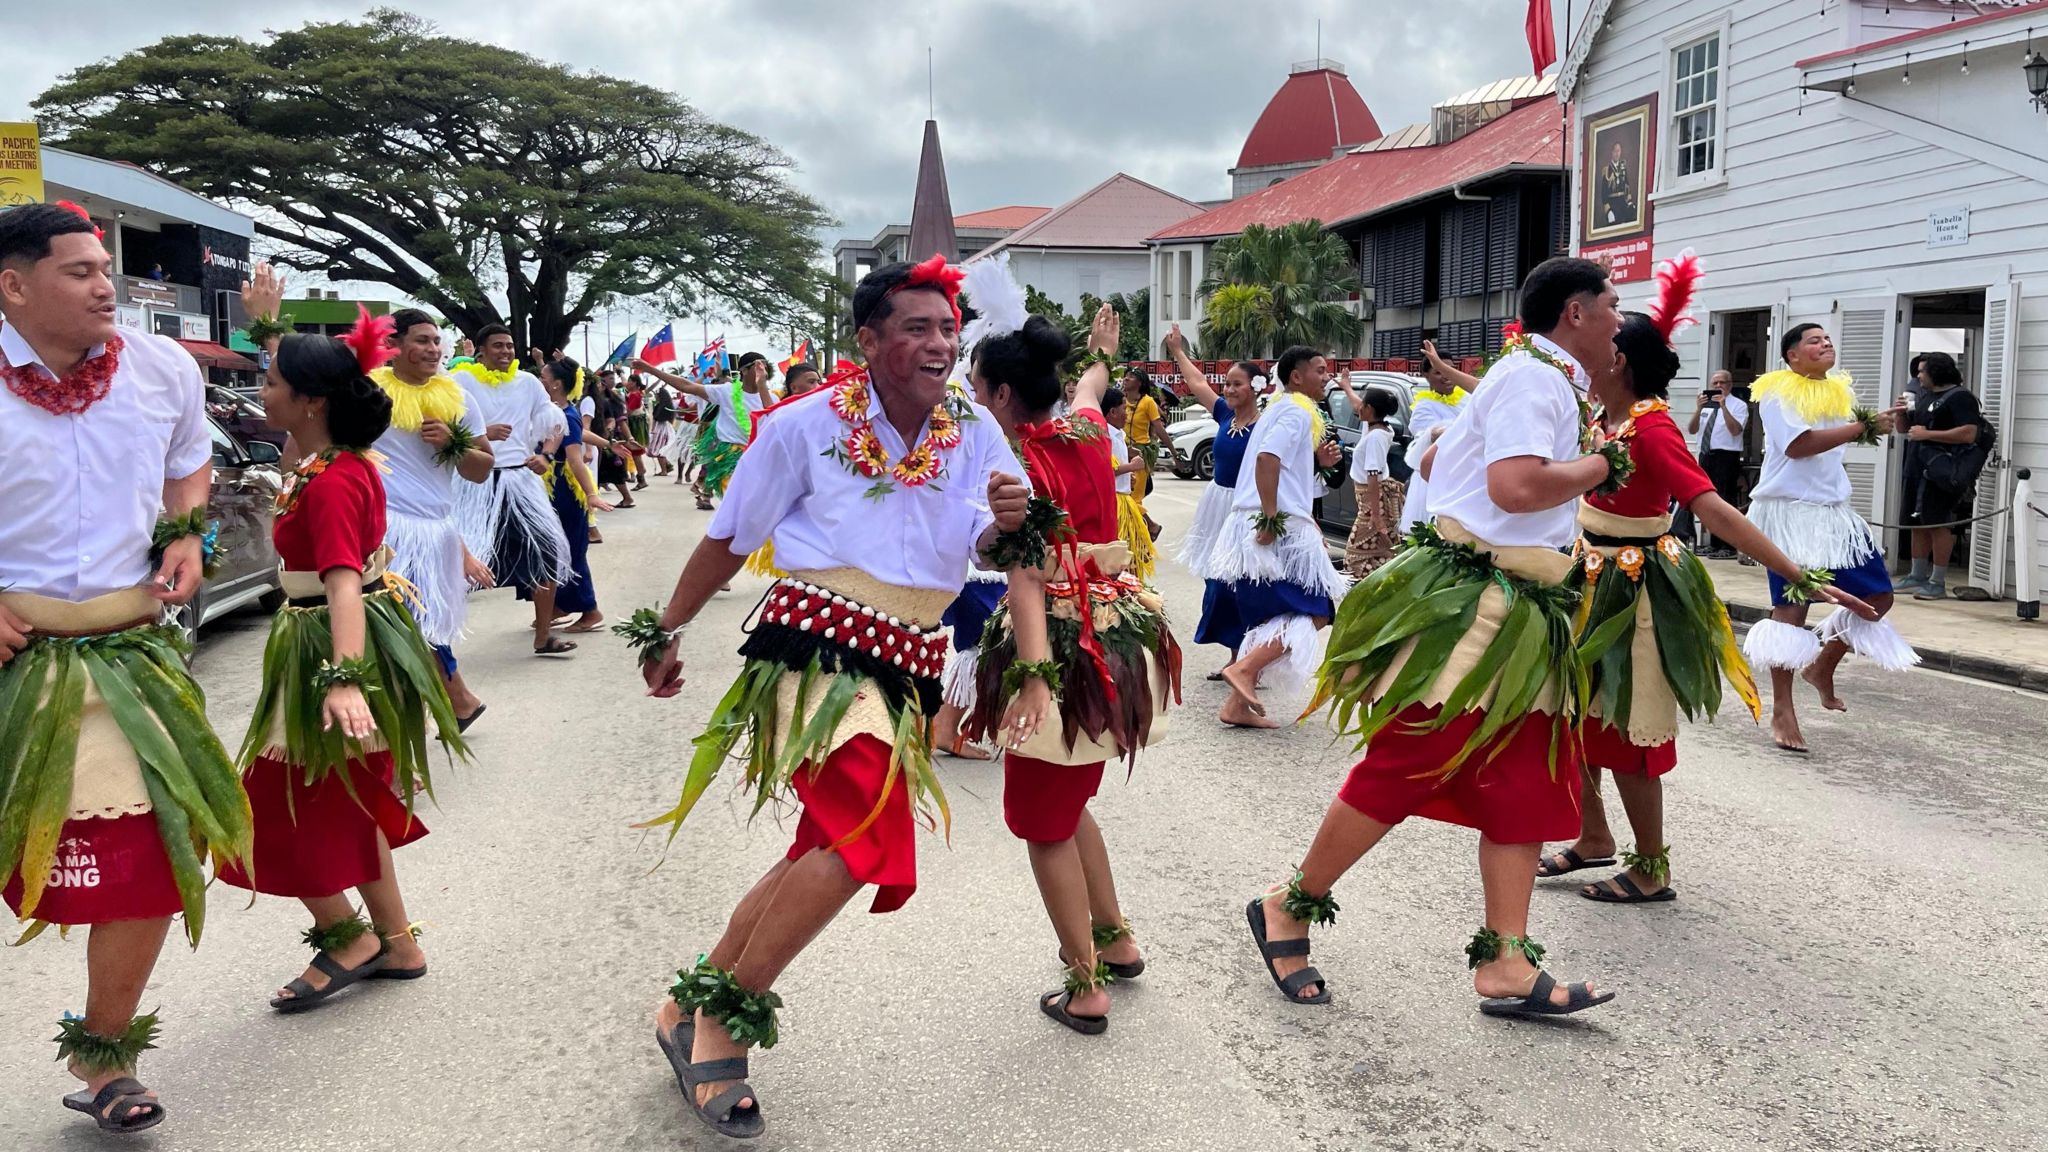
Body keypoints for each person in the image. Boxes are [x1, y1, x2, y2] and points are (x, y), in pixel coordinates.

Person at [632, 257, 1030, 1139]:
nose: (940, 343)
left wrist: (1005, 518)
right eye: (918, 327)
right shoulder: (800, 426)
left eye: (947, 328)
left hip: (912, 659)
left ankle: (684, 1002)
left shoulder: (972, 429)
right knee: (857, 842)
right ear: (869, 339)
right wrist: (667, 628)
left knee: (819, 845)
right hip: (815, 647)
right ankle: (726, 1018)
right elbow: (730, 536)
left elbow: (992, 542)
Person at [1247, 257, 1626, 1020]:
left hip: (1522, 607)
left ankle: (1508, 965)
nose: (1621, 318)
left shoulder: (1542, 379)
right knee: (1409, 759)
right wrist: (1604, 464)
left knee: (1523, 782)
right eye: (1613, 304)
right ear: (1575, 314)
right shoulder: (1532, 379)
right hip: (1478, 606)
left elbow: (1438, 458)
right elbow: (1514, 487)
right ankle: (1290, 905)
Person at [0, 200, 251, 1134]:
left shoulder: (160, 370)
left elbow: (189, 465)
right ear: (13, 286)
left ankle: (105, 1058)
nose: (106, 285)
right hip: (10, 661)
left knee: (150, 860)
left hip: (125, 666)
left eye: (105, 267)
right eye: (78, 271)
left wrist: (186, 530)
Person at [1535, 256, 1873, 901]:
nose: (1589, 348)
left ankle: (1650, 867)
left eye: (1605, 341)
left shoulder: (1654, 429)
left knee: (1628, 728)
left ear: (1620, 361)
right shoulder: (1596, 419)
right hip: (1583, 578)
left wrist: (1796, 575)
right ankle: (1592, 837)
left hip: (1632, 591)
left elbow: (1712, 507)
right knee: (1570, 711)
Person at [214, 307, 467, 1011]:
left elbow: (344, 582)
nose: (262, 393)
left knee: (273, 806)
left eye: (271, 381)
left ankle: (347, 935)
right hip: (333, 636)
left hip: (330, 642)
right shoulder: (335, 460)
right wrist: (269, 329)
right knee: (351, 802)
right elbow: (300, 454)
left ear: (311, 401)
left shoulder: (332, 480)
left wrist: (344, 678)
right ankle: (396, 942)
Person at [961, 303, 1179, 1035]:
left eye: (974, 381)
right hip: (1115, 633)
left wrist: (1031, 677)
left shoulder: (1013, 467)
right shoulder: (1088, 428)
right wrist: (1101, 353)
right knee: (1069, 796)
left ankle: (1084, 983)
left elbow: (1024, 577)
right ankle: (1114, 936)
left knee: (1041, 819)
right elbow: (1089, 385)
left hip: (1059, 642)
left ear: (998, 395)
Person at [283, 295, 494, 731]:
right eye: (422, 340)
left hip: (436, 530)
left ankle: (449, 705)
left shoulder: (458, 397)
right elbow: (308, 437)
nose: (434, 349)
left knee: (423, 631)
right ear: (394, 345)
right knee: (396, 635)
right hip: (385, 530)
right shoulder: (368, 391)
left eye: (438, 340)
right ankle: (429, 717)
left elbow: (482, 470)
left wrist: (453, 443)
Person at [1740, 323, 1913, 754]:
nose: (1825, 344)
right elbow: (1799, 446)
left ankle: (1821, 667)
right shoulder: (1777, 392)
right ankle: (1783, 708)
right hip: (1788, 513)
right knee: (1792, 609)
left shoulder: (1838, 390)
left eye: (1828, 339)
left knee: (1878, 598)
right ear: (1792, 356)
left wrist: (1881, 424)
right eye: (1813, 340)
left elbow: (1846, 435)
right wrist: (1864, 426)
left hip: (1834, 513)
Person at [1203, 346, 1349, 728]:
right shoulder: (1296, 410)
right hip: (1272, 522)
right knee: (1318, 607)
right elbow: (1267, 459)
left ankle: (1237, 702)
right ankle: (1247, 668)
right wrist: (1271, 518)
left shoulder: (1281, 409)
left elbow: (1284, 468)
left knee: (1268, 614)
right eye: (1320, 370)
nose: (1326, 375)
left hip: (1270, 518)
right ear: (1297, 376)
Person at [452, 325, 577, 655]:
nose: (506, 351)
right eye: (498, 346)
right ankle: (438, 644)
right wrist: (481, 434)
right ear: (481, 349)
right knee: (455, 561)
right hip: (476, 482)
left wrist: (546, 455)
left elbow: (555, 422)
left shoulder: (528, 383)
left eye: (509, 346)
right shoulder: (462, 382)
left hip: (520, 480)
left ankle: (544, 635)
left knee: (547, 550)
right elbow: (442, 429)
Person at [1164, 326, 1262, 675]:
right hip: (1217, 505)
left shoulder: (1265, 425)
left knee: (1243, 582)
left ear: (1257, 387)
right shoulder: (1224, 415)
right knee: (1218, 581)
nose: (1230, 389)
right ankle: (1237, 657)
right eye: (1229, 384)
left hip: (1247, 508)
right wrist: (1177, 351)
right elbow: (1197, 384)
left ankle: (1246, 661)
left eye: (1238, 384)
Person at [1896, 351, 1984, 601]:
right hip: (1916, 467)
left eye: (1922, 371)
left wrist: (1929, 435)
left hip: (1941, 471)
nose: (1918, 376)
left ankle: (1937, 580)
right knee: (1916, 521)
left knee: (1938, 522)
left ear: (1937, 372)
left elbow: (1969, 433)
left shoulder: (1961, 398)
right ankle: (1917, 574)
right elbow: (1906, 430)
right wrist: (1901, 412)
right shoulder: (1926, 397)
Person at [536, 356, 610, 634]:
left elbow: (575, 458)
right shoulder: (554, 411)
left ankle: (590, 610)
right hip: (549, 488)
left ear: (555, 385)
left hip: (565, 490)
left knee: (570, 550)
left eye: (543, 377)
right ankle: (558, 605)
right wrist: (608, 443)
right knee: (555, 549)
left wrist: (591, 494)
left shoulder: (565, 415)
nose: (539, 381)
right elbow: (580, 437)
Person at [1398, 340, 1474, 534]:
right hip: (1434, 477)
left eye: (1450, 370)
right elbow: (1427, 434)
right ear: (1426, 375)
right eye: (1438, 372)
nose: (1446, 377)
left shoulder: (1468, 399)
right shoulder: (1423, 406)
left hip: (1465, 475)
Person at [1685, 369, 1749, 558]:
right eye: (1715, 384)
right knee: (1708, 500)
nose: (1718, 387)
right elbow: (1692, 429)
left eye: (1722, 383)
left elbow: (1736, 430)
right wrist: (1698, 409)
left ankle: (1728, 545)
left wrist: (1724, 408)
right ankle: (1713, 542)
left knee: (1724, 499)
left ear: (1729, 385)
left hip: (1726, 456)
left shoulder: (1738, 405)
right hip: (1706, 454)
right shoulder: (1706, 406)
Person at [1342, 386, 1405, 576]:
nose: (1357, 407)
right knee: (1381, 554)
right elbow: (1356, 403)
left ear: (1369, 408)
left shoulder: (1376, 437)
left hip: (1374, 504)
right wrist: (1346, 386)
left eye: (1362, 404)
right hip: (1370, 503)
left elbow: (1373, 476)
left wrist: (1376, 516)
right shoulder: (1375, 426)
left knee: (1355, 557)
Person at [1102, 387, 1157, 581]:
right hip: (1115, 503)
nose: (1127, 413)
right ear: (1112, 412)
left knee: (1133, 552)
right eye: (1124, 408)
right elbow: (1104, 472)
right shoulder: (1106, 437)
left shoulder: (1117, 435)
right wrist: (1131, 467)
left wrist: (1128, 475)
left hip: (1124, 499)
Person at [1120, 368, 1169, 538]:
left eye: (1131, 377)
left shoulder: (1148, 402)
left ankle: (1142, 539)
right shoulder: (1120, 401)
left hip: (1141, 454)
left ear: (1140, 383)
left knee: (1133, 499)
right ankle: (1150, 528)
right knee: (1123, 497)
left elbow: (1159, 429)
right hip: (1122, 452)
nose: (1126, 378)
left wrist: (1174, 453)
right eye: (1125, 376)